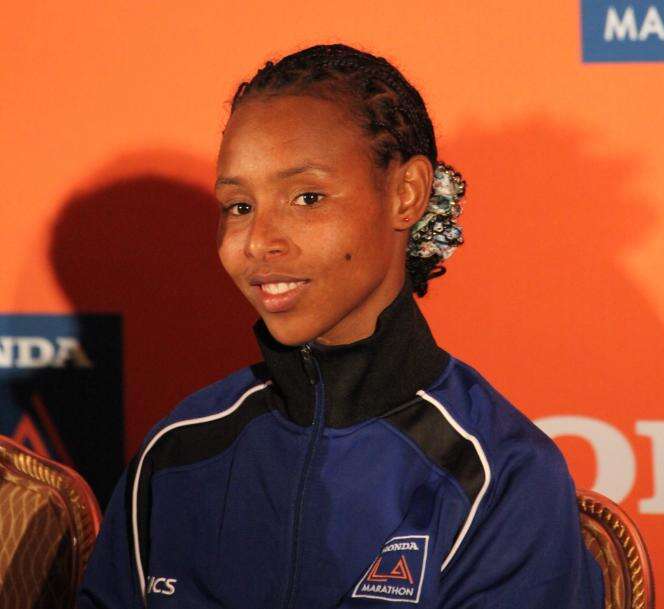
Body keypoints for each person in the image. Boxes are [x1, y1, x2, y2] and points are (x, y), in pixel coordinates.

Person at [78, 43, 604, 608]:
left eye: (307, 197)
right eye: (238, 206)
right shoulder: (176, 451)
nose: (258, 242)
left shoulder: (500, 473)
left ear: (406, 195)